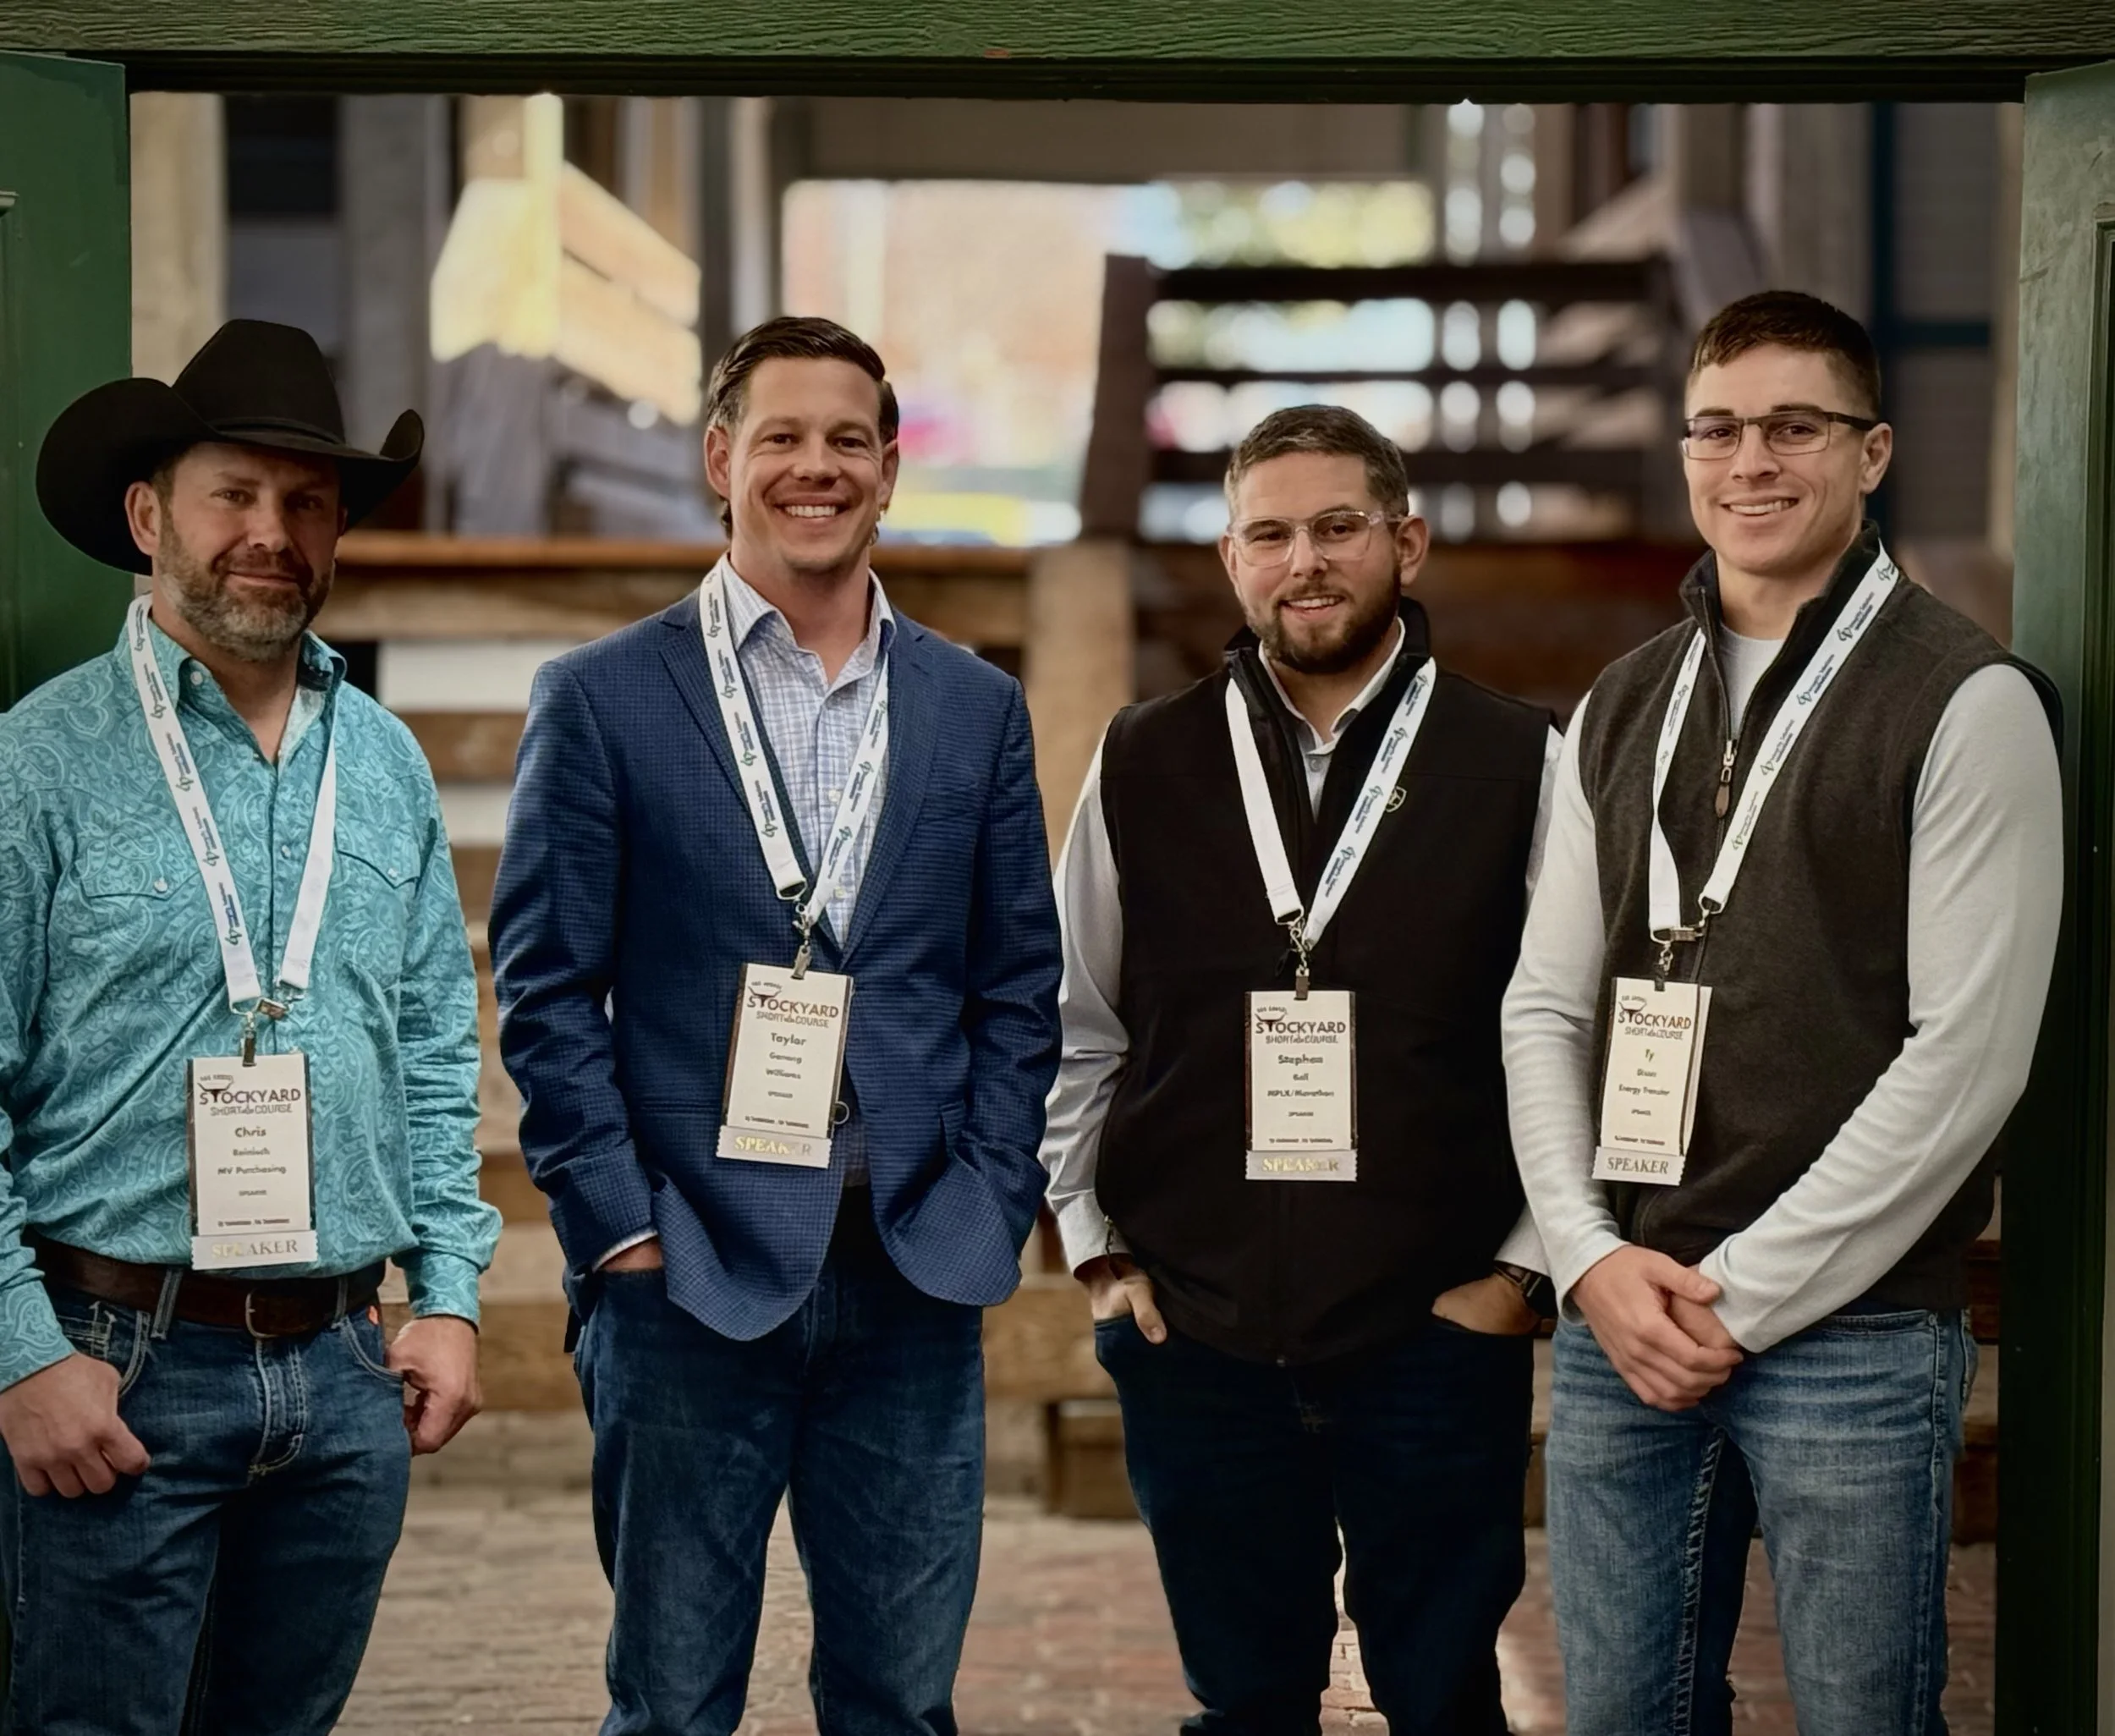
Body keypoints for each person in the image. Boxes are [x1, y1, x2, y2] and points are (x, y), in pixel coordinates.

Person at [490, 315, 1063, 1736]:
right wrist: (619, 1229)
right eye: (784, 438)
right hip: (688, 1272)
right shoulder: (605, 699)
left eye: (851, 441)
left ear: (888, 471)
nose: (819, 468)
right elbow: (546, 988)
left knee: (899, 1700)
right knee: (675, 1702)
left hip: (914, 1268)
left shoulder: (974, 709)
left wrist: (989, 1197)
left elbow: (1016, 988)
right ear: (720, 460)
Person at [1502, 289, 2061, 1735]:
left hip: (1855, 1334)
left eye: (1794, 427)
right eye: (1720, 429)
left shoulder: (1966, 700)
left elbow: (1971, 1061)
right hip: (1623, 1320)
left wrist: (1737, 1301)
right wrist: (1587, 1262)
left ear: (1871, 454)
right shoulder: (1618, 705)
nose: (1751, 461)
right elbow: (1546, 1008)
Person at [0, 317, 498, 1733]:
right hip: (115, 1361)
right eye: (235, 493)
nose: (270, 533)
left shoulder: (387, 762)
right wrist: (21, 1356)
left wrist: (450, 1293)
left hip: (347, 1378)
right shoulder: (37, 764)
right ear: (149, 514)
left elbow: (432, 1048)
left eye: (307, 500)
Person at [1041, 403, 1559, 1735]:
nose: (1305, 561)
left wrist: (1519, 1274)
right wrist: (1098, 1246)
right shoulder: (1144, 756)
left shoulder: (1519, 760)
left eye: (1339, 527)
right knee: (1247, 1703)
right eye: (1268, 534)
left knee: (1443, 1699)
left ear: (1410, 542)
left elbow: (1575, 1031)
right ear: (1230, 561)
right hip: (1197, 1333)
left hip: (1433, 1332)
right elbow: (1077, 1017)